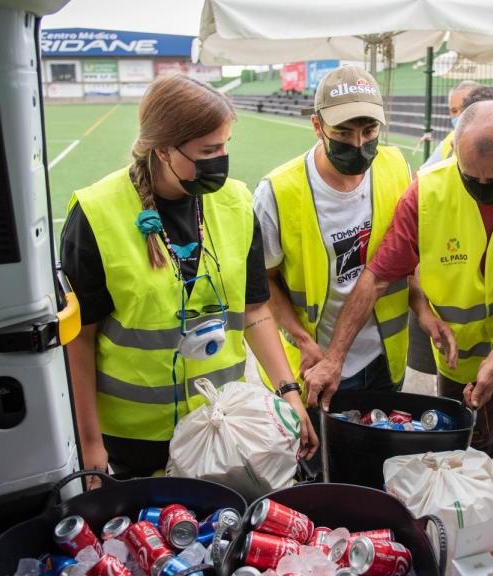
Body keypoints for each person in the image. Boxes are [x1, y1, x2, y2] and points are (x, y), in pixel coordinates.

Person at [305, 100, 493, 455]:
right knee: (469, 446)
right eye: (470, 177)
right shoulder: (426, 193)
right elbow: (376, 278)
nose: (482, 188)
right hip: (463, 347)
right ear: (454, 150)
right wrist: (334, 358)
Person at [61, 74, 318, 483]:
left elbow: (255, 311)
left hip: (221, 426)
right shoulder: (95, 213)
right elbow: (80, 339)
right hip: (134, 439)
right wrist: (90, 443)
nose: (221, 159)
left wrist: (288, 392)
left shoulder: (236, 203)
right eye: (209, 150)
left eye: (225, 145)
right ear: (163, 149)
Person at [252, 65, 412, 400]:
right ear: (317, 126)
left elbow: (406, 256)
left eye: (369, 131)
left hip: (385, 359)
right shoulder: (278, 192)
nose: (359, 144)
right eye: (343, 133)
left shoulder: (396, 167)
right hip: (314, 366)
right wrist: (302, 339)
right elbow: (262, 280)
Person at [413, 83, 493, 400]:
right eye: (453, 111)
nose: (456, 116)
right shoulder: (451, 142)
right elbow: (423, 179)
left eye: (460, 110)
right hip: (463, 251)